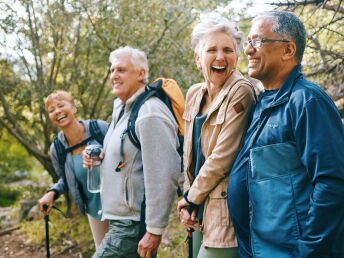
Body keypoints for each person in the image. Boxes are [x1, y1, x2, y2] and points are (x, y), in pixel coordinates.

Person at [227, 10, 344, 258]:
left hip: (291, 253)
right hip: (258, 250)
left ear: (288, 50)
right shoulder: (261, 104)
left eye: (257, 41)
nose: (248, 50)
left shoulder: (307, 101)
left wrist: (308, 250)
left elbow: (332, 183)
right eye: (248, 41)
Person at [83, 46, 181, 258]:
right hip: (119, 220)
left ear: (141, 73)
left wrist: (154, 230)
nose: (114, 76)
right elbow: (128, 152)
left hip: (132, 225)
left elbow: (165, 174)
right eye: (112, 70)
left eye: (121, 70)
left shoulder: (149, 113)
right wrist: (101, 155)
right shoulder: (122, 108)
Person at [177, 13, 256, 258]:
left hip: (225, 212)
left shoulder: (241, 91)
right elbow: (189, 155)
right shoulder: (193, 94)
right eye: (211, 50)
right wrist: (189, 200)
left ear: (237, 56)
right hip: (198, 206)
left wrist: (190, 197)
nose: (220, 57)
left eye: (228, 50)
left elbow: (223, 158)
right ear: (197, 58)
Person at [38, 90, 109, 248]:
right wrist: (52, 193)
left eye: (61, 105)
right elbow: (66, 179)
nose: (57, 111)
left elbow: (124, 154)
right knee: (104, 252)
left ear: (74, 108)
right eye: (51, 110)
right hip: (94, 210)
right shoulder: (57, 148)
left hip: (121, 202)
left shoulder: (99, 128)